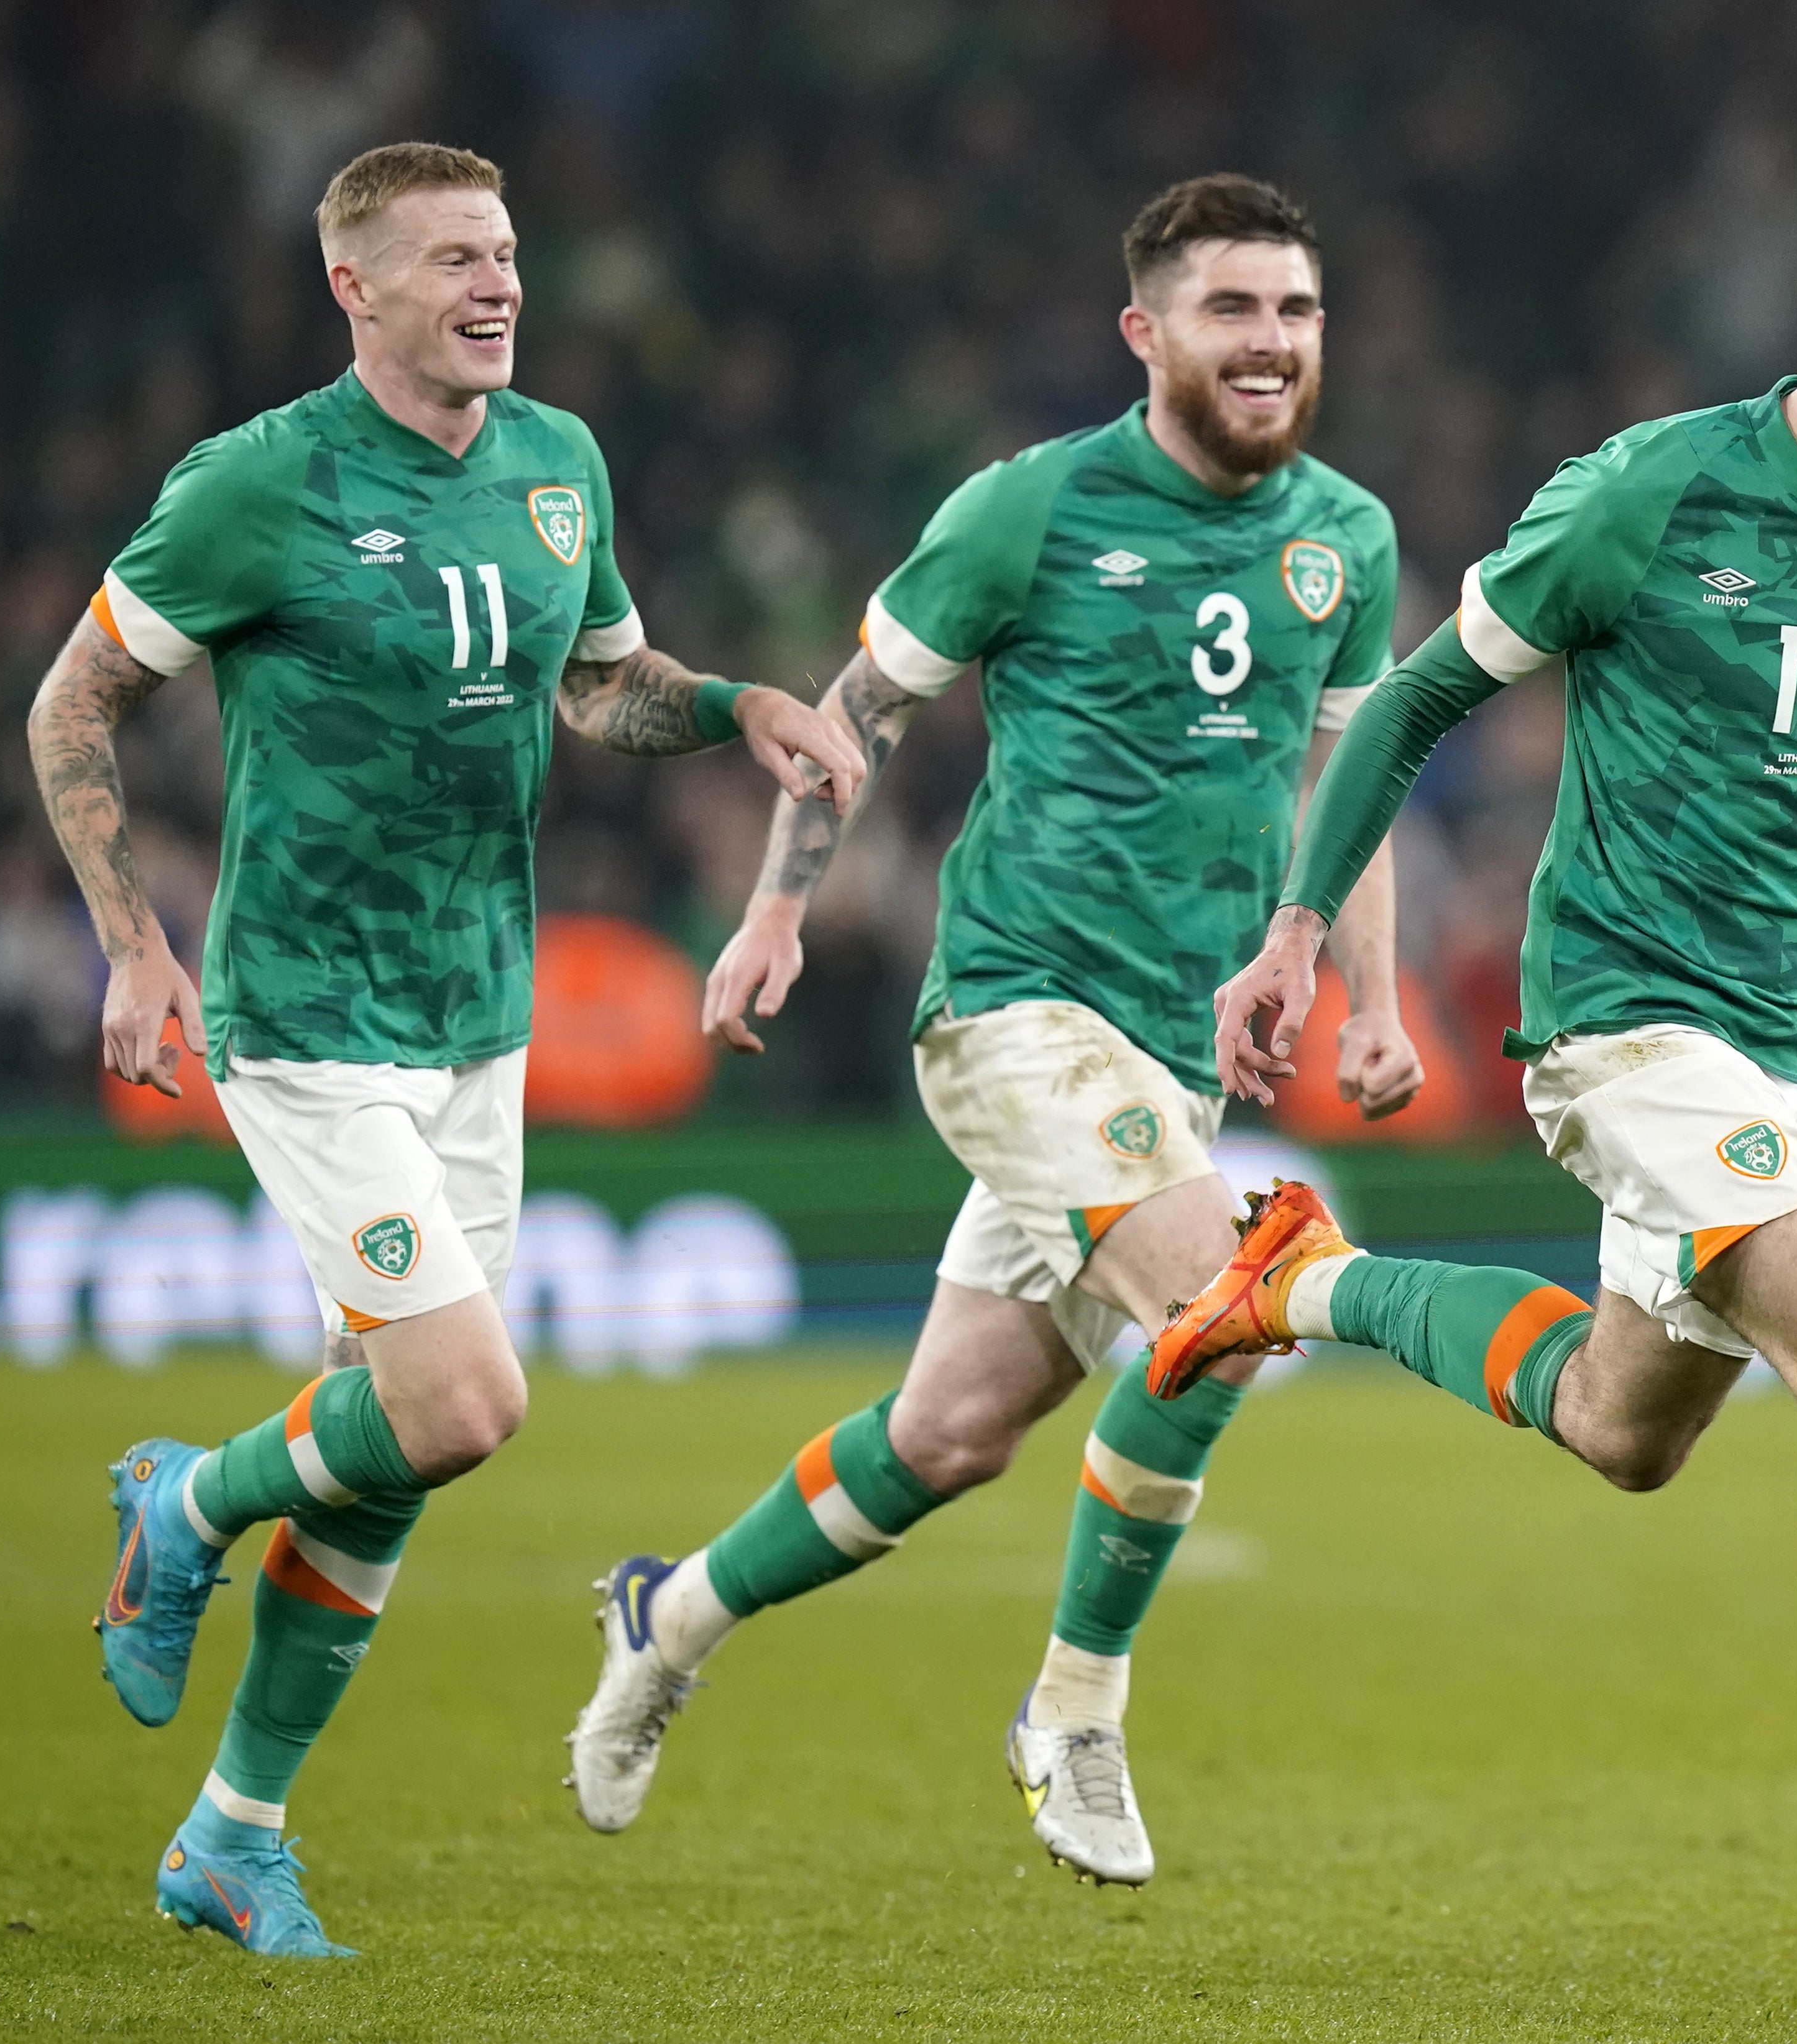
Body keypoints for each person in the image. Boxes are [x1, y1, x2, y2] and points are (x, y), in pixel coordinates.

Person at [1164, 181, 1797, 1972]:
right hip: (1623, 1028)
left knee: (1622, 1427)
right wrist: (1303, 931)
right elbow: (1406, 702)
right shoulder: (1647, 496)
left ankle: (1293, 1279)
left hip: (1790, 1053)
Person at [45, 141, 865, 1959]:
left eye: (505, 255)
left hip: (473, 1011)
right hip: (306, 1015)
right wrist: (132, 943)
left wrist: (740, 708)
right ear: (354, 288)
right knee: (466, 1399)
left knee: (405, 1450)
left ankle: (232, 1835)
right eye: (450, 263)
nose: (495, 286)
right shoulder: (257, 483)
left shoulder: (559, 463)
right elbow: (76, 696)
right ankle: (181, 1500)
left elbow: (598, 685)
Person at [565, 174, 1418, 1887]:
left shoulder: (1350, 533)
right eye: (1232, 309)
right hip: (1017, 1008)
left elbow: (1352, 777)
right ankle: (1073, 1715)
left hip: (1172, 1058)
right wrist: (778, 908)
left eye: (1297, 311)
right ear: (1147, 333)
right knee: (1222, 1310)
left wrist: (1371, 991)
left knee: (950, 1431)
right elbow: (855, 711)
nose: (1269, 342)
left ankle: (671, 1613)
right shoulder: (1030, 506)